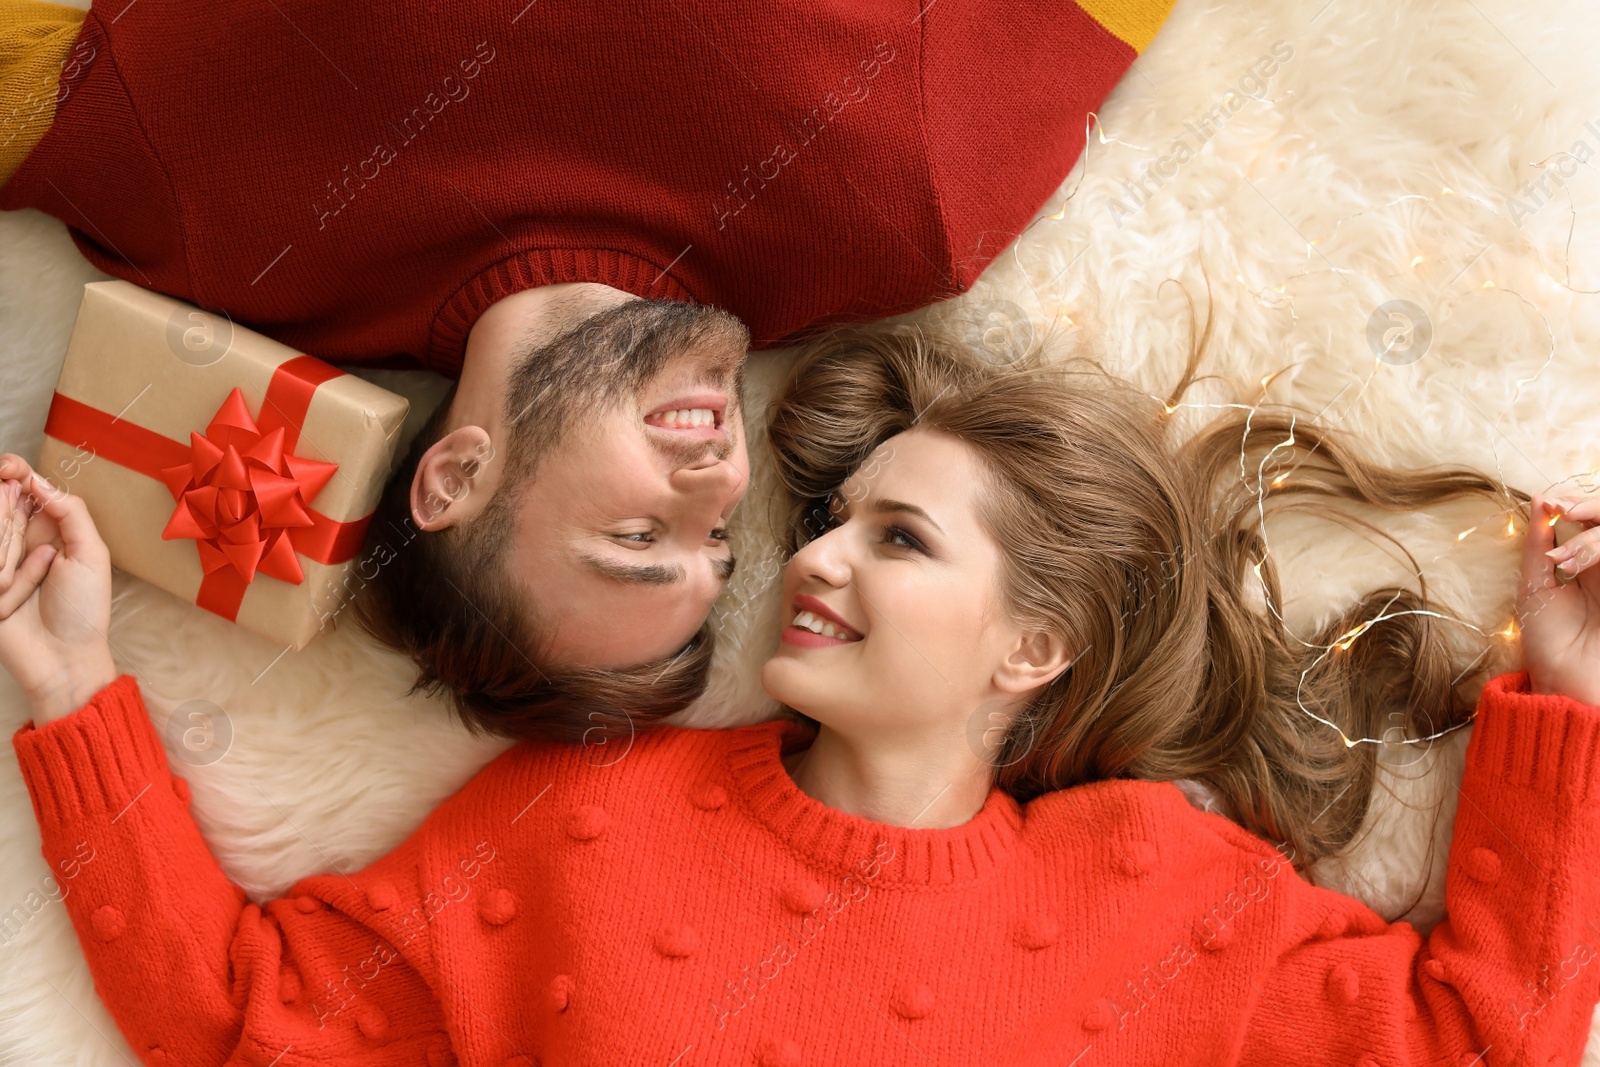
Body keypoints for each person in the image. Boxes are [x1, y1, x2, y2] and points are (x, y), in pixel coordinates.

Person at [5, 327, 1600, 1064]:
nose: (817, 558)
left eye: (896, 536)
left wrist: (1567, 700)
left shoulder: (1156, 893)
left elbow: (1487, 1039)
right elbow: (238, 1016)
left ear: (1030, 644)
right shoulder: (581, 820)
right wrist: (72, 675)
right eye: (837, 518)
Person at [0, 0, 1179, 734]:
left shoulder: (211, 217)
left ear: (454, 477)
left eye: (635, 540)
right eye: (712, 544)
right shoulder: (907, 208)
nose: (720, 491)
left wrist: (73, 679)